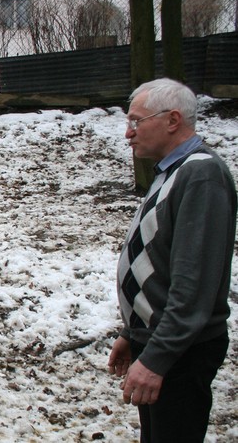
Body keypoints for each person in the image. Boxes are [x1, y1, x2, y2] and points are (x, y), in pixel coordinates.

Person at [108, 78, 234, 442]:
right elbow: (158, 262)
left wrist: (158, 357)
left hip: (181, 351)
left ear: (173, 120)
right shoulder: (174, 170)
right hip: (160, 341)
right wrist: (134, 333)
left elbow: (193, 286)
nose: (128, 133)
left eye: (136, 121)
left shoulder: (201, 174)